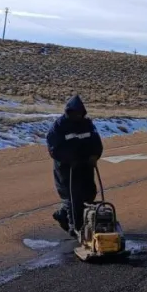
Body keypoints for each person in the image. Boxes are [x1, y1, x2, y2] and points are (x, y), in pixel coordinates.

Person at [46, 94, 103, 235]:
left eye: (80, 113)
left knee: (89, 193)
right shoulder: (59, 127)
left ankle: (63, 215)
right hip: (67, 168)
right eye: (75, 113)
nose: (77, 116)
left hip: (85, 165)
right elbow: (54, 148)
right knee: (73, 196)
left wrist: (95, 155)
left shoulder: (87, 125)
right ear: (69, 112)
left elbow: (96, 142)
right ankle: (75, 227)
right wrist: (69, 159)